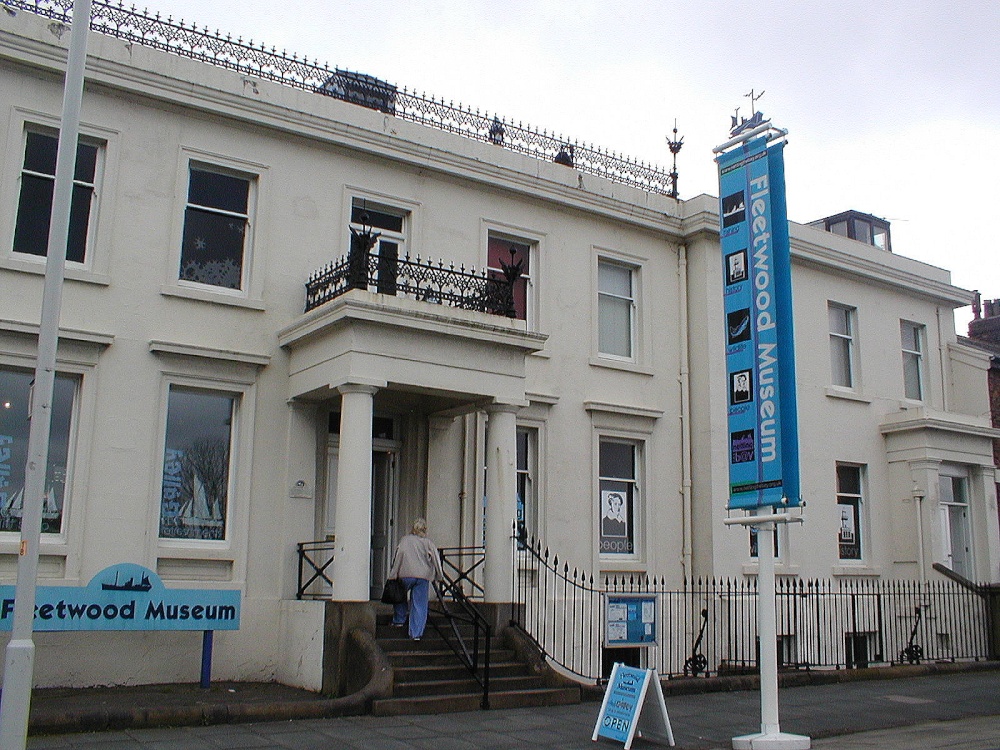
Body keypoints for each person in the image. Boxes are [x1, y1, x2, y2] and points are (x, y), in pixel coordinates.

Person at [388, 518, 443, 640]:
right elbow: (436, 559)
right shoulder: (428, 543)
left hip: (405, 574)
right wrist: (439, 576)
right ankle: (416, 633)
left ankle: (399, 620)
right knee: (419, 605)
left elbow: (399, 556)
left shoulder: (405, 540)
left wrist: (393, 574)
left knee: (399, 597)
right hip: (423, 576)